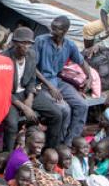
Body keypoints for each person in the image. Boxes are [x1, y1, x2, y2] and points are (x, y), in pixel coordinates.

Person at [32, 16, 91, 146]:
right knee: (64, 109)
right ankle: (58, 144)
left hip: (56, 81)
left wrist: (90, 77)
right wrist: (50, 87)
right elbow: (33, 68)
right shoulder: (40, 41)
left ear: (65, 31)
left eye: (56, 29)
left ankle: (70, 143)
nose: (52, 31)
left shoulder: (69, 45)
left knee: (82, 105)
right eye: (52, 27)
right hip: (40, 83)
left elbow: (82, 62)